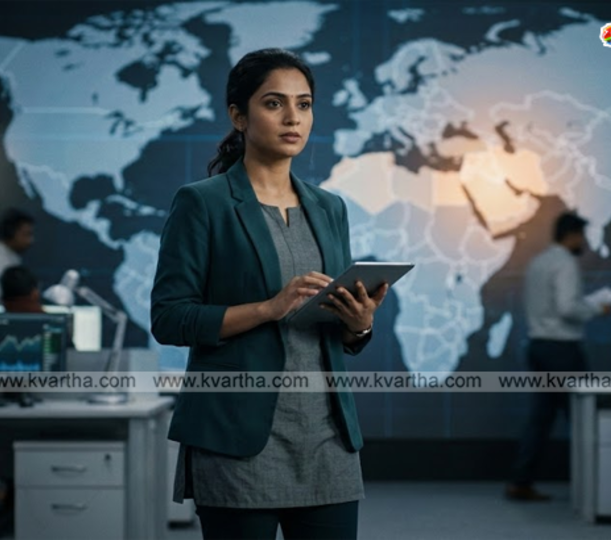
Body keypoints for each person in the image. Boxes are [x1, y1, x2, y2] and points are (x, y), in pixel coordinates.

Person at [150, 48, 388, 540]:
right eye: (274, 103)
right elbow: (170, 319)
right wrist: (267, 308)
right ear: (239, 115)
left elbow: (336, 331)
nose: (292, 118)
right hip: (237, 439)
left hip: (326, 438)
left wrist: (358, 321)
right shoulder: (202, 203)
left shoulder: (329, 207)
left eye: (303, 104)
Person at [506, 212, 611, 502]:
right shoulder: (566, 263)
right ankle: (599, 488)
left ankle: (521, 480)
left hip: (539, 346)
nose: (585, 242)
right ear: (572, 235)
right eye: (583, 236)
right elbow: (567, 308)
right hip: (562, 349)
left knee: (541, 418)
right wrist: (595, 309)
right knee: (584, 416)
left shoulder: (539, 262)